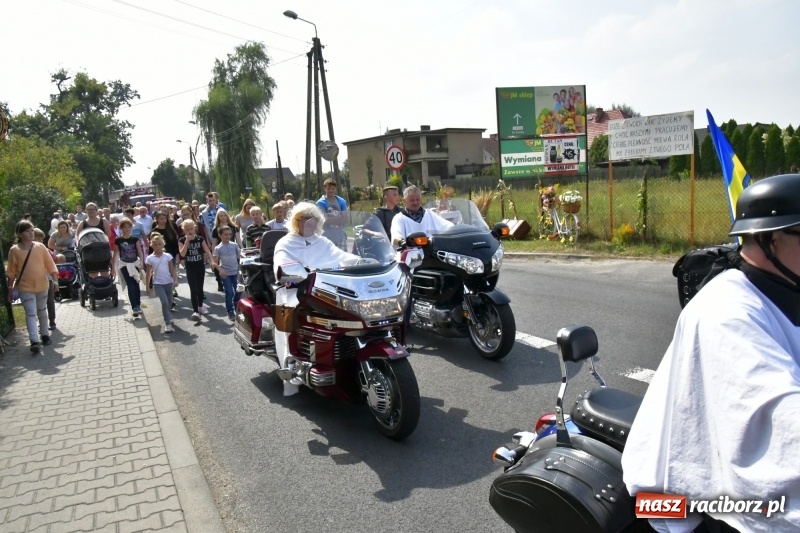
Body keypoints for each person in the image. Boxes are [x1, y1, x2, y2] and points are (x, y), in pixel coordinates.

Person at [622, 173, 800, 533]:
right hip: (683, 501)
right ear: (770, 239)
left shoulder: (781, 289)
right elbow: (780, 415)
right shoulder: (727, 312)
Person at [272, 202, 360, 396]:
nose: (310, 223)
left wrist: (362, 261)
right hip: (294, 291)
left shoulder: (323, 242)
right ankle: (291, 372)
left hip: (325, 290)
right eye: (305, 219)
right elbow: (282, 264)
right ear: (296, 221)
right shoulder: (285, 243)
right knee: (288, 323)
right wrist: (297, 272)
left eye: (313, 219)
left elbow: (340, 256)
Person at [6, 220, 59, 352]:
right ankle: (34, 341)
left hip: (42, 285)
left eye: (32, 230)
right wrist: (10, 290)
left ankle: (45, 335)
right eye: (28, 231)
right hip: (25, 287)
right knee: (30, 314)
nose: (31, 233)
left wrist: (55, 280)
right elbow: (11, 272)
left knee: (41, 311)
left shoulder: (40, 247)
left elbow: (50, 264)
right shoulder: (14, 250)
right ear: (20, 234)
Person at [178, 219, 212, 321]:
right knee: (193, 289)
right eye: (187, 229)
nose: (190, 231)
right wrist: (187, 242)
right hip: (190, 267)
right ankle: (195, 311)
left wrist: (212, 261)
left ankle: (201, 306)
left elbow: (207, 250)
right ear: (184, 230)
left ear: (195, 228)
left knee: (200, 288)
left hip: (200, 266)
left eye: (191, 228)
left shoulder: (200, 239)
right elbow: (182, 254)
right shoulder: (181, 240)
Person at [146, 233, 179, 334]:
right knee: (164, 302)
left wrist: (175, 279)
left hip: (168, 282)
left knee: (169, 302)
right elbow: (148, 273)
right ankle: (167, 323)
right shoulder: (150, 258)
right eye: (155, 245)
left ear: (163, 244)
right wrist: (147, 286)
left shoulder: (167, 256)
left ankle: (168, 315)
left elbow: (172, 269)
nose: (158, 246)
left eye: (160, 244)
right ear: (152, 245)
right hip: (158, 283)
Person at [112, 217, 144, 318]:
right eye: (125, 227)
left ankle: (138, 305)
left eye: (129, 227)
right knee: (130, 284)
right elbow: (116, 254)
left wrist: (142, 262)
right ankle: (134, 306)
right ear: (121, 228)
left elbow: (139, 251)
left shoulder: (134, 239)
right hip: (125, 265)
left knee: (136, 284)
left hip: (134, 264)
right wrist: (113, 267)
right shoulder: (118, 240)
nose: (127, 229)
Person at [211, 226, 241, 321]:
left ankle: (238, 307)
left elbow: (240, 257)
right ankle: (230, 311)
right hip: (225, 274)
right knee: (229, 292)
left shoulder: (234, 245)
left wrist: (241, 268)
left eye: (229, 234)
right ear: (220, 235)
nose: (228, 236)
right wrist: (220, 270)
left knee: (239, 291)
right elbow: (215, 262)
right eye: (225, 235)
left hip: (235, 272)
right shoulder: (218, 248)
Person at [33, 227, 60, 332]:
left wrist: (55, 280)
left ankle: (52, 320)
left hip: (47, 278)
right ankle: (41, 322)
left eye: (41, 239)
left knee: (49, 300)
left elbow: (55, 262)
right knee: (38, 303)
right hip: (35, 280)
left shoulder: (46, 250)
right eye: (37, 239)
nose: (40, 242)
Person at [316, 178, 348, 250]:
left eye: (332, 188)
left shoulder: (341, 201)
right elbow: (324, 220)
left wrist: (331, 218)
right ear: (325, 189)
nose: (331, 190)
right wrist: (339, 217)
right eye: (328, 188)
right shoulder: (321, 203)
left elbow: (346, 219)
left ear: (335, 189)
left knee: (343, 257)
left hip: (340, 235)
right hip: (327, 236)